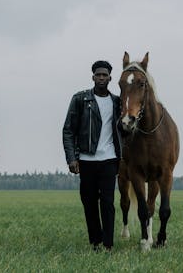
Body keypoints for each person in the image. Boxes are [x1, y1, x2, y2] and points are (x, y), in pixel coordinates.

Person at [62, 60, 122, 251]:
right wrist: (71, 158)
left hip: (110, 160)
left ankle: (108, 244)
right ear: (93, 77)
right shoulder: (80, 99)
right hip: (86, 161)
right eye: (98, 75)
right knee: (89, 203)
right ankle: (95, 242)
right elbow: (68, 130)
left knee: (108, 203)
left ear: (110, 78)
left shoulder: (117, 102)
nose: (101, 78)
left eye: (105, 75)